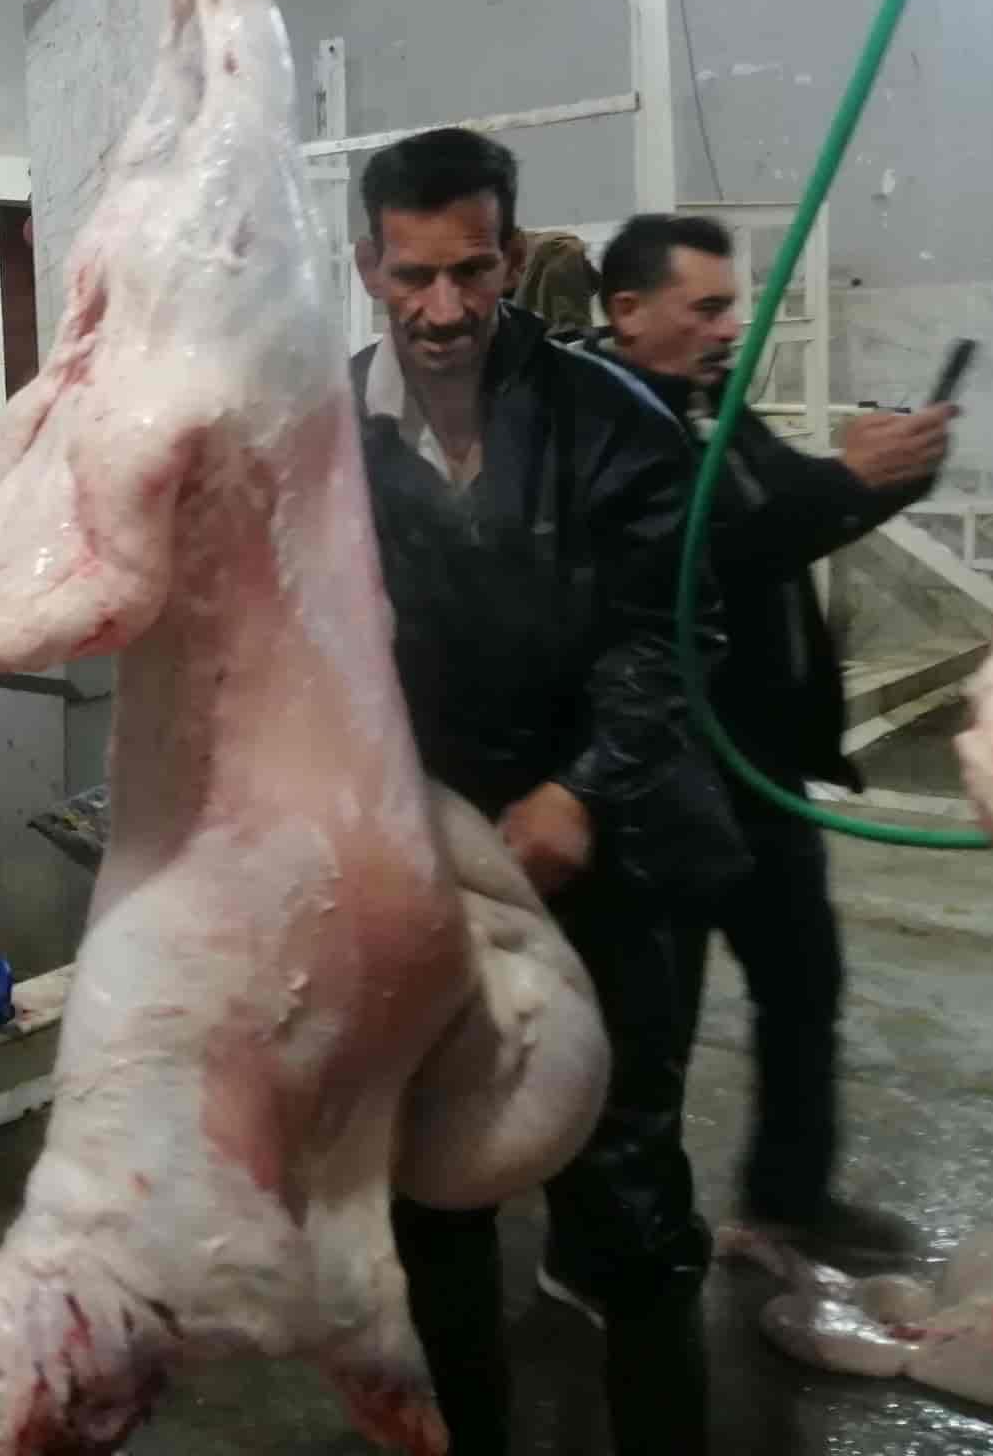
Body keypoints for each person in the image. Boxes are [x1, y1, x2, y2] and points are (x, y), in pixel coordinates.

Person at [348, 129, 745, 1456]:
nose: (442, 308)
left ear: (512, 258)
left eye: (471, 271)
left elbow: (668, 634)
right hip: (429, 859)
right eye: (412, 275)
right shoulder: (332, 432)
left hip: (611, 855)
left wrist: (585, 790)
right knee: (428, 1193)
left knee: (623, 1194)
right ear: (368, 267)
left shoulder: (610, 418)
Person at [593, 213, 950, 1257]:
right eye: (705, 308)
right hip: (670, 780)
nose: (727, 329)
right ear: (627, 311)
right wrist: (842, 484)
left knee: (803, 987)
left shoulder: (714, 407)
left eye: (731, 308)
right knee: (652, 1031)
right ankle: (622, 1242)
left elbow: (786, 506)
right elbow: (702, 555)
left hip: (761, 772)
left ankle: (788, 1200)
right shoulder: (602, 425)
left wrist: (893, 471)